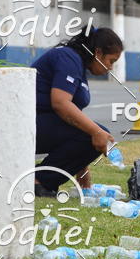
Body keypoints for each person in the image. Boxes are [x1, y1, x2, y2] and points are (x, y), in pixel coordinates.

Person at [32, 26, 123, 197]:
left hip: (43, 125)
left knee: (95, 133)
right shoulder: (68, 58)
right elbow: (60, 103)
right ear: (98, 52)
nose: (111, 68)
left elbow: (75, 125)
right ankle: (39, 181)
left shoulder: (78, 65)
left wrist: (84, 180)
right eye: (111, 61)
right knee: (98, 132)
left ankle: (42, 180)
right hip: (30, 124)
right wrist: (96, 132)